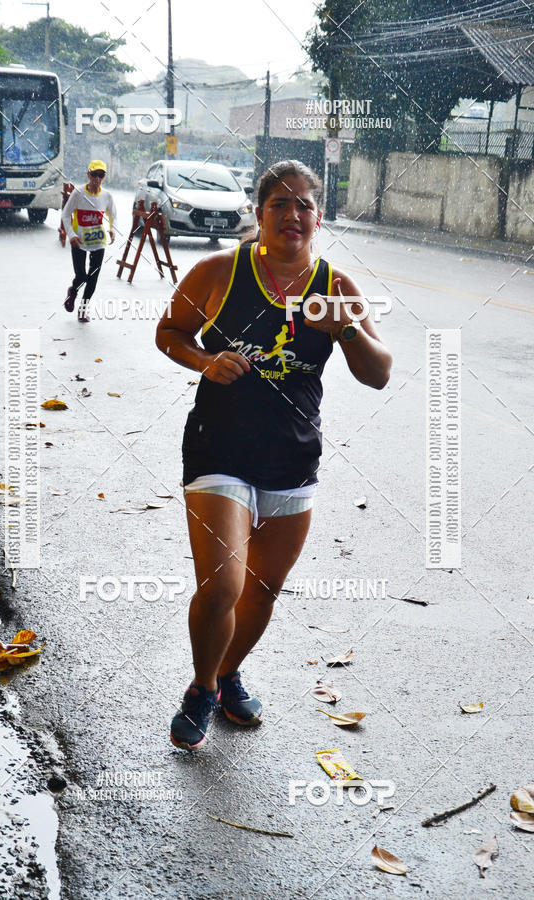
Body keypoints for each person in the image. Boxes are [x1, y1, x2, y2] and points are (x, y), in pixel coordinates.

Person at [155, 159, 392, 751]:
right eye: (278, 205)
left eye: (304, 205)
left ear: (318, 217)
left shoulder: (336, 287)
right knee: (224, 583)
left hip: (293, 456)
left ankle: (228, 673)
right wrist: (204, 360)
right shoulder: (218, 271)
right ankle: (202, 689)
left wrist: (347, 330)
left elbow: (379, 373)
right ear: (258, 214)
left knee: (263, 588)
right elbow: (169, 332)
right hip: (219, 446)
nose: (292, 215)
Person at [62, 160, 116, 323]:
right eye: (94, 174)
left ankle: (83, 309)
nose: (97, 179)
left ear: (104, 177)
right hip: (79, 241)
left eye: (101, 175)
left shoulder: (107, 196)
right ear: (88, 175)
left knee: (93, 277)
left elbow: (113, 215)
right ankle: (73, 291)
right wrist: (71, 235)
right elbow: (65, 214)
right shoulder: (78, 193)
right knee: (81, 275)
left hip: (98, 242)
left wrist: (113, 229)